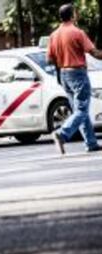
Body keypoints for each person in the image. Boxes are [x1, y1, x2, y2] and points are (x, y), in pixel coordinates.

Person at [47, 4, 102, 154]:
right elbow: (94, 53)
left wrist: (63, 58)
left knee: (79, 109)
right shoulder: (77, 32)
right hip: (78, 73)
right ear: (72, 16)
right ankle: (61, 134)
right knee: (82, 110)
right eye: (75, 12)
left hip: (63, 74)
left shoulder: (54, 35)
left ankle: (91, 143)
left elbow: (49, 60)